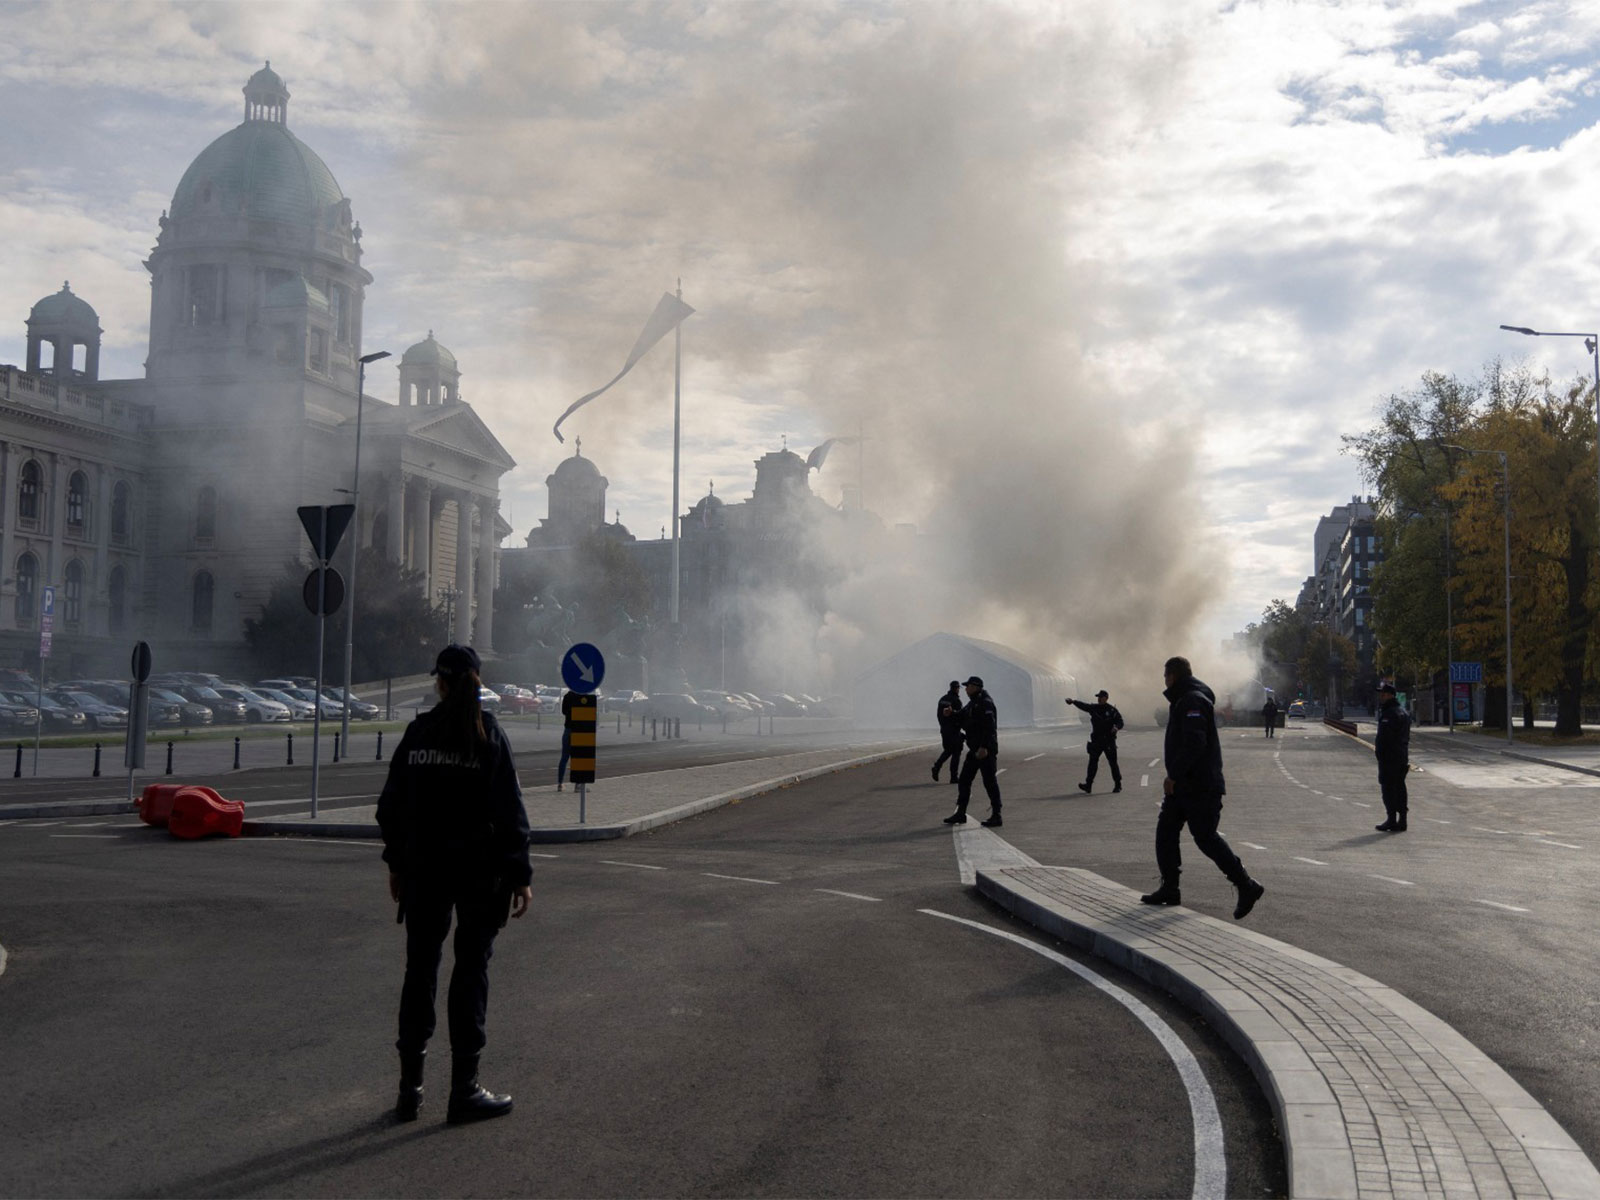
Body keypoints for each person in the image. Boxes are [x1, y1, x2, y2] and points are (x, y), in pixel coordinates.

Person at [377, 643, 534, 1125]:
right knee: (470, 972)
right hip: (479, 875)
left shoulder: (418, 734)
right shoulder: (490, 737)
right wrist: (520, 875)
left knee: (419, 970)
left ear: (440, 683)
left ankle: (410, 1092)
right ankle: (463, 1090)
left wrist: (398, 864)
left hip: (425, 871)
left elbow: (389, 809)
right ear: (477, 682)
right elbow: (511, 812)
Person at [1140, 656, 1265, 920]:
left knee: (1205, 837)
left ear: (1173, 676)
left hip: (1200, 785)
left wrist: (1173, 774)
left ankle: (1246, 885)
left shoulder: (1192, 700)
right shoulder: (1185, 699)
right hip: (1186, 785)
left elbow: (1195, 742)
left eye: (1166, 676)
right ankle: (1170, 888)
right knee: (1166, 832)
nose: (1164, 681)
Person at [943, 675, 1002, 828]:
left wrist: (984, 747)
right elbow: (962, 715)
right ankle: (961, 813)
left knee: (989, 782)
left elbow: (989, 727)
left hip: (985, 750)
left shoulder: (985, 702)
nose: (966, 689)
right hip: (975, 749)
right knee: (964, 780)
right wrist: (952, 713)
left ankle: (997, 815)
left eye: (968, 686)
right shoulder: (973, 703)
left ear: (975, 686)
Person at [1066, 689, 1123, 793]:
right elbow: (1084, 706)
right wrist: (1073, 702)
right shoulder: (1094, 708)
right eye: (1098, 697)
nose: (1099, 699)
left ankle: (1118, 784)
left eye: (1101, 697)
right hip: (1097, 740)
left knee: (1113, 763)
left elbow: (1120, 721)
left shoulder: (1112, 710)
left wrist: (1116, 727)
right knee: (1092, 763)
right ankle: (1088, 785)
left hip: (1109, 740)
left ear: (1106, 698)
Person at [1373, 681, 1411, 832]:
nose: (1380, 696)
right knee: (1400, 787)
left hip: (1390, 758)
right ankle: (1402, 820)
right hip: (1402, 756)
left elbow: (1386, 738)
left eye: (1382, 694)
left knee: (1388, 789)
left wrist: (1380, 754)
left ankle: (1391, 819)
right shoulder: (1403, 712)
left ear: (1389, 695)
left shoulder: (1390, 714)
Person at [931, 680, 965, 784]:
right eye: (958, 688)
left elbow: (938, 715)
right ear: (957, 689)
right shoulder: (956, 701)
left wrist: (943, 726)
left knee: (948, 750)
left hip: (944, 730)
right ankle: (953, 777)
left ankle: (937, 766)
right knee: (956, 752)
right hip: (954, 731)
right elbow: (959, 716)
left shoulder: (942, 699)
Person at [556, 688, 579, 791]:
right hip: (577, 730)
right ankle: (577, 785)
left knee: (564, 758)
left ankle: (560, 784)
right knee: (577, 759)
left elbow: (564, 712)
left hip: (567, 729)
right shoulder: (580, 696)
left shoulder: (566, 696)